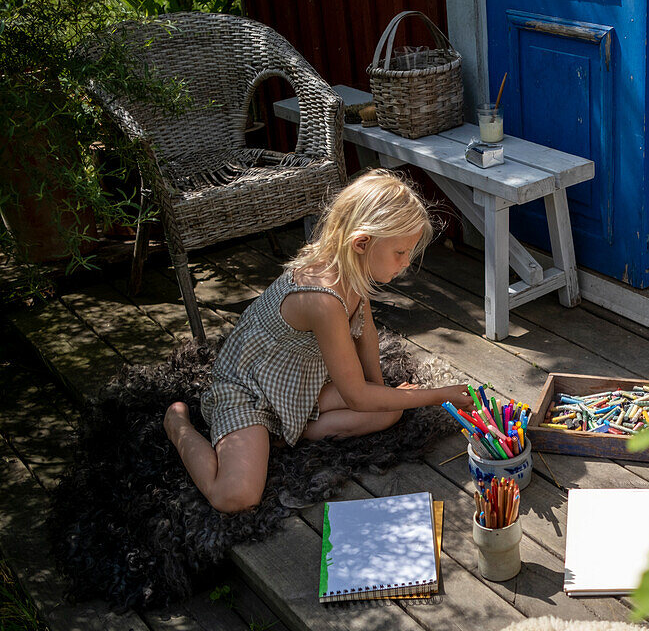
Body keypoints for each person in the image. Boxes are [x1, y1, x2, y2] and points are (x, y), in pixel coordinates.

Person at [163, 170, 475, 513]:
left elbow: (365, 330)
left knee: (391, 409)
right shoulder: (322, 297)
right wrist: (438, 395)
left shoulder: (353, 268)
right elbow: (355, 395)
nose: (406, 263)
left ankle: (284, 433)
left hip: (299, 383)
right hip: (250, 390)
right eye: (400, 252)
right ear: (361, 243)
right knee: (236, 497)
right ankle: (177, 424)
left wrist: (379, 387)